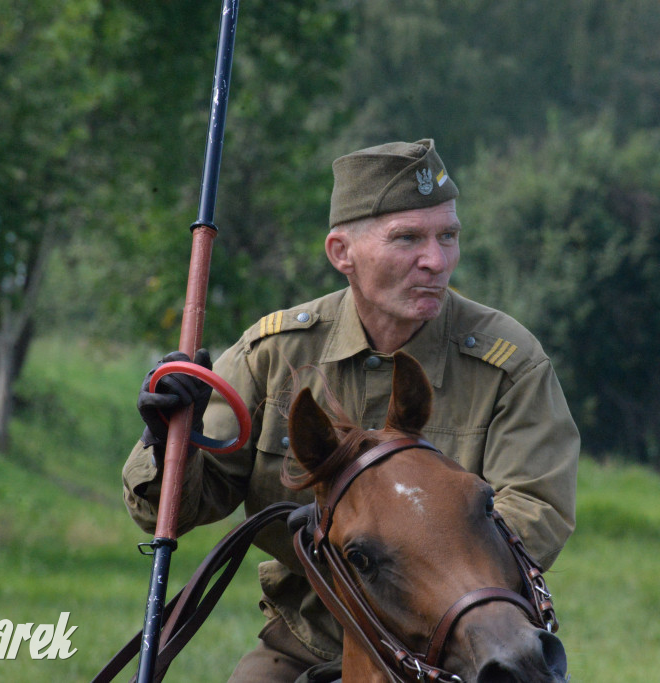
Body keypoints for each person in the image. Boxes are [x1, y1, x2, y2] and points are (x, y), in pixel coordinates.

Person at [122, 139, 580, 682]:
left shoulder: (508, 362)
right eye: (407, 238)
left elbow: (537, 507)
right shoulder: (273, 354)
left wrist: (419, 569)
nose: (436, 260)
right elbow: (168, 514)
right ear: (342, 252)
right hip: (306, 643)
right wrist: (171, 441)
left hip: (462, 646)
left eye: (447, 236)